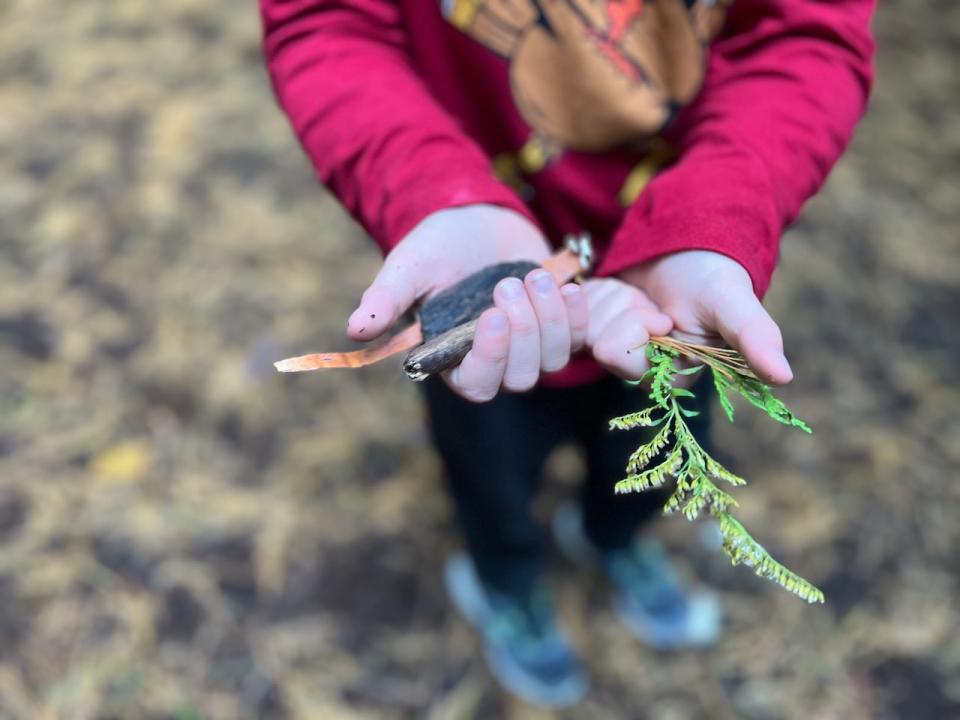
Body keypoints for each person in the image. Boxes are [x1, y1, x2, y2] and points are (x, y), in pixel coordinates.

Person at [259, 0, 874, 707]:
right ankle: (506, 580)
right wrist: (434, 189)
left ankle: (616, 538)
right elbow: (328, 22)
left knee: (655, 453)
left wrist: (713, 217)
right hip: (487, 301)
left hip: (668, 303)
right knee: (489, 475)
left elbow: (804, 38)